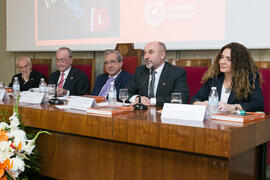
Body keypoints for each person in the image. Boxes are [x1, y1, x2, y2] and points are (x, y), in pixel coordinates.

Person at [191, 42, 264, 112]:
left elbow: (257, 105)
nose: (222, 62)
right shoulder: (214, 78)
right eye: (222, 57)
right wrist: (200, 104)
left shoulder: (249, 78)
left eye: (229, 59)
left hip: (237, 123)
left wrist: (231, 107)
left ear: (239, 63)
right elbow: (195, 98)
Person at [126, 41, 189, 106]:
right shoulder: (140, 70)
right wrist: (137, 98)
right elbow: (125, 93)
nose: (145, 57)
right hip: (142, 113)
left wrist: (151, 101)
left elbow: (182, 98)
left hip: (163, 112)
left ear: (162, 55)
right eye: (144, 53)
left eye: (151, 52)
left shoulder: (176, 72)